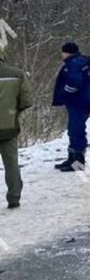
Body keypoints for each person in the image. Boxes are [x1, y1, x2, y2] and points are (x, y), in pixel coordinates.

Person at [53, 42, 90, 172]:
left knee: (76, 130)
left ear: (67, 52)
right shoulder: (83, 62)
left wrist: (65, 93)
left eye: (63, 52)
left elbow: (74, 82)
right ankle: (72, 157)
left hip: (78, 101)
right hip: (82, 100)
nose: (62, 54)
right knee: (73, 128)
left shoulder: (74, 64)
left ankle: (78, 160)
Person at [0, 46, 33, 209]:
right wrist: (13, 111)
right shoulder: (17, 74)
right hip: (9, 127)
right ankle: (14, 197)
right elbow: (27, 101)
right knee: (11, 163)